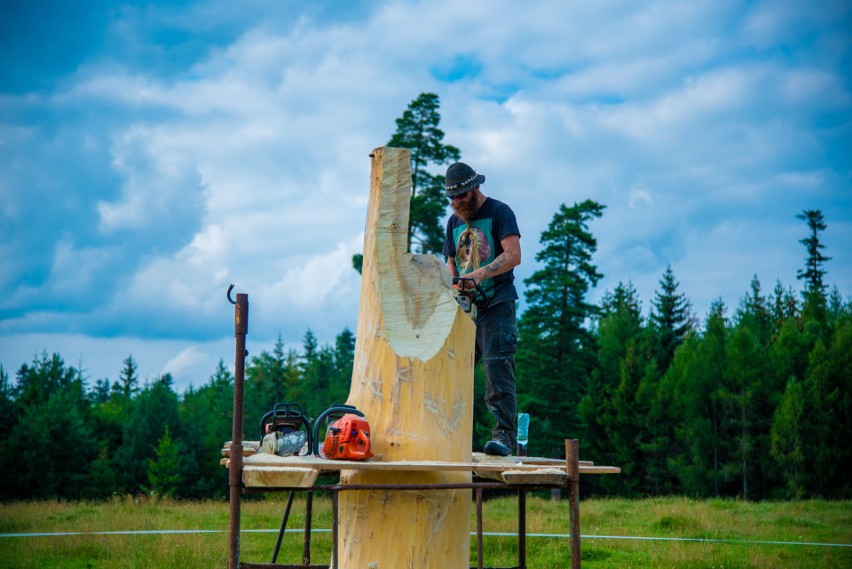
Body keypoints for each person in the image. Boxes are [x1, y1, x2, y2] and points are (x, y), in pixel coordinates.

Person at [442, 162, 521, 456]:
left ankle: (503, 437)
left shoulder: (500, 212)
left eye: (461, 195)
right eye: (452, 198)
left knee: (497, 370)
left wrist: (478, 275)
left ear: (475, 189)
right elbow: (451, 260)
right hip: (465, 309)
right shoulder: (453, 223)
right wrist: (455, 283)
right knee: (453, 370)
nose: (457, 202)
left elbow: (513, 255)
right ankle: (447, 432)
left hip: (497, 304)